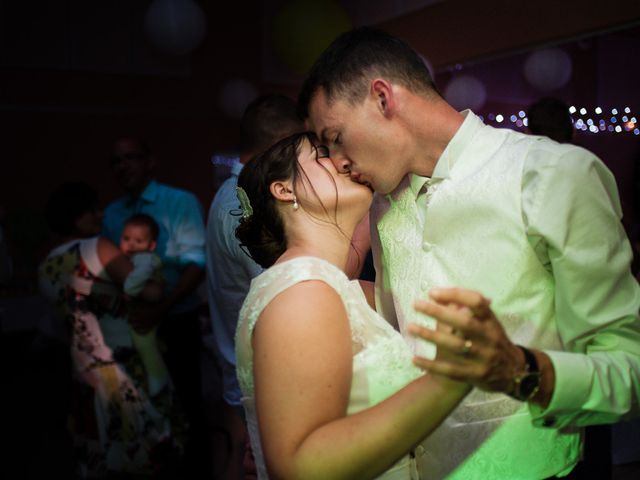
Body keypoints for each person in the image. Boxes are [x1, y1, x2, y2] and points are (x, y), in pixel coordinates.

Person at [298, 27, 640, 479]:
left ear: (383, 98)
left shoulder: (551, 175)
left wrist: (521, 370)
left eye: (335, 136)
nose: (337, 160)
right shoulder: (381, 202)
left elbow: (629, 369)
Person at [234, 131, 485, 479]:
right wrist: (450, 381)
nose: (342, 159)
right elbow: (298, 466)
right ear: (284, 189)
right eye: (322, 154)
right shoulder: (302, 291)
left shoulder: (341, 290)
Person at [38, 182, 184, 477]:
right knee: (150, 451)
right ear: (76, 216)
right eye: (93, 209)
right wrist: (157, 282)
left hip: (85, 372)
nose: (101, 215)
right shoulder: (97, 247)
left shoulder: (45, 266)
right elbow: (147, 292)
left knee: (106, 455)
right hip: (127, 362)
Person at [205, 94, 304, 478]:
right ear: (281, 144)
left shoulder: (235, 194)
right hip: (260, 378)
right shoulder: (244, 204)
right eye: (300, 144)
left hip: (247, 368)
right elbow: (285, 286)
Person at [102, 137, 207, 475]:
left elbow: (196, 262)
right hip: (132, 322)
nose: (124, 166)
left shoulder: (179, 202)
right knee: (142, 405)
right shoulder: (112, 213)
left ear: (150, 161)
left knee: (187, 403)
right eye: (117, 160)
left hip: (176, 317)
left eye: (132, 157)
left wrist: (162, 307)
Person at [119, 213, 169, 397]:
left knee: (142, 340)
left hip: (147, 308)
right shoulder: (137, 257)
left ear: (151, 245)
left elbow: (140, 276)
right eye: (126, 239)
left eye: (138, 241)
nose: (131, 244)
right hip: (146, 309)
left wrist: (129, 291)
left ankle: (158, 376)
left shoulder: (144, 258)